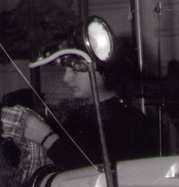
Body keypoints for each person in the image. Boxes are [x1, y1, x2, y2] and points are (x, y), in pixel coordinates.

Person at [19, 39, 159, 170]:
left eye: (75, 68)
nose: (66, 78)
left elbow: (96, 176)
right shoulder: (77, 118)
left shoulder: (132, 123)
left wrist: (47, 139)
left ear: (103, 71)